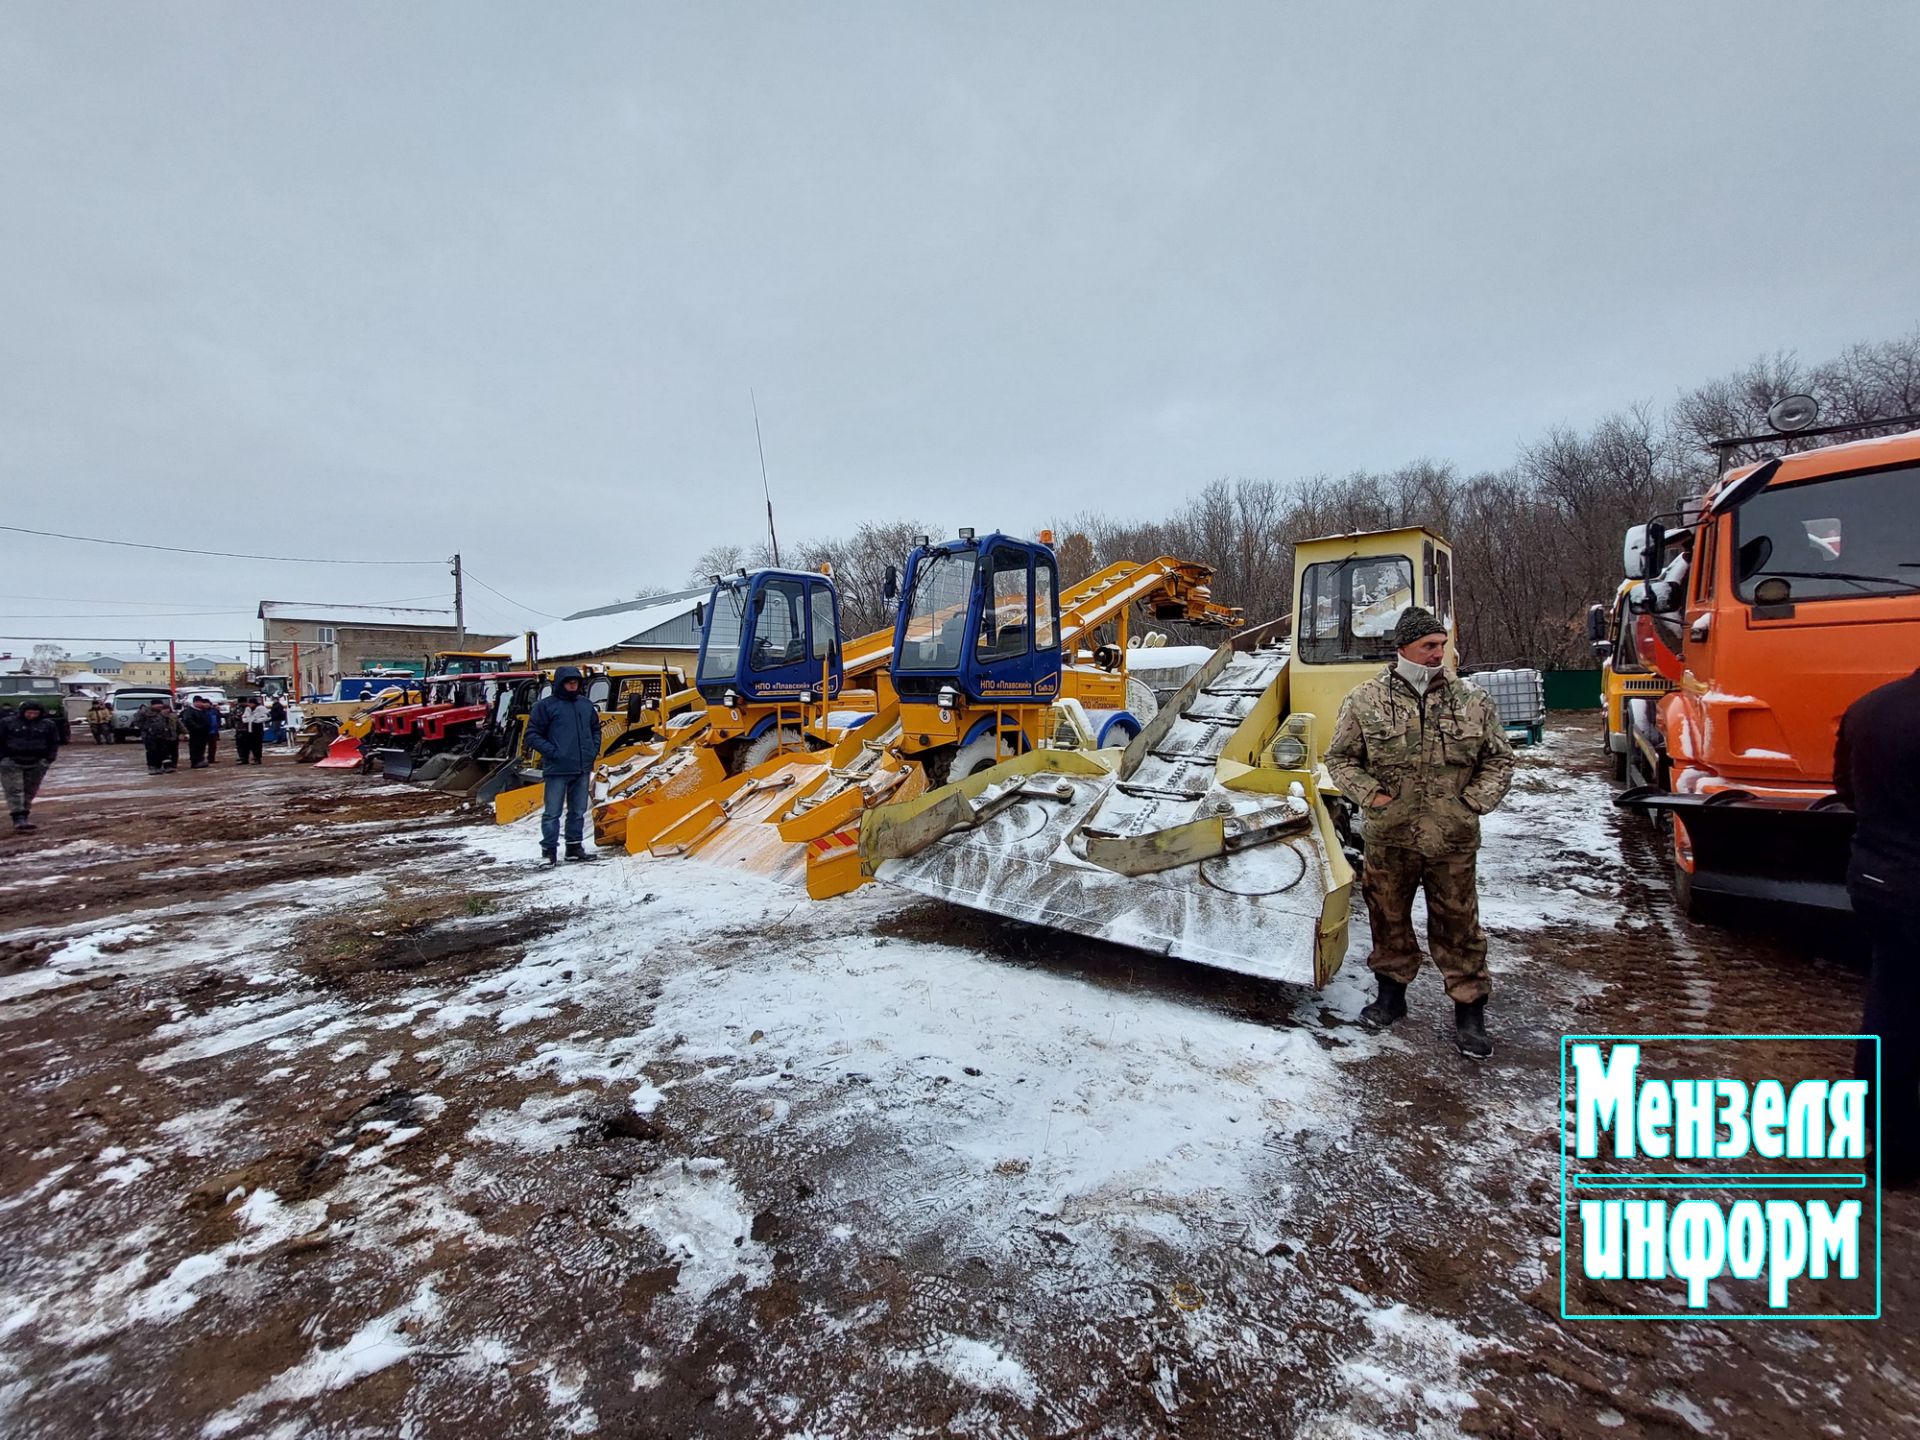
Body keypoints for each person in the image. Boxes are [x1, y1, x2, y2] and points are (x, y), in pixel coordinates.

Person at [1325, 606, 1515, 1058]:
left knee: (1459, 927)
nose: (1438, 654)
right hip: (1390, 838)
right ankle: (1391, 998)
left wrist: (1472, 803)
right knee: (1387, 919)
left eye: (1442, 645)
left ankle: (1470, 1013)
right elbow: (1340, 759)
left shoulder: (1472, 700)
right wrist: (1373, 797)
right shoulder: (1366, 700)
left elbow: (1499, 759)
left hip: (1451, 840)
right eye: (1429, 646)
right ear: (1404, 648)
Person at [1835, 667, 1920, 1185]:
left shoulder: (1870, 706)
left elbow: (1844, 788)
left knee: (1890, 1010)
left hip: (1876, 878)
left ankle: (1888, 1147)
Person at [525, 664, 603, 865]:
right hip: (557, 769)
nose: (572, 684)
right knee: (552, 813)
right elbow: (532, 735)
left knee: (577, 812)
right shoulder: (545, 706)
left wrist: (592, 751)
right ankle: (549, 852)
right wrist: (553, 752)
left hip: (582, 767)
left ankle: (574, 848)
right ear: (560, 683)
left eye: (575, 681)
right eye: (569, 681)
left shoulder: (586, 705)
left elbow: (596, 729)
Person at [0, 698, 62, 834]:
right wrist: (3, 758)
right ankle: (18, 817)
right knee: (14, 790)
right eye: (29, 713)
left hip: (37, 762)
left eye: (35, 713)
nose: (32, 716)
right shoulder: (8, 723)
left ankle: (25, 814)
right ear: (23, 712)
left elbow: (54, 742)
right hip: (11, 761)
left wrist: (48, 759)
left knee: (30, 790)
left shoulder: (47, 725)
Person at [139, 699, 183, 774]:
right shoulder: (145, 712)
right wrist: (148, 728)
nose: (160, 706)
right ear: (153, 705)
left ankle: (164, 767)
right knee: (152, 751)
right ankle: (153, 767)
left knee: (163, 751)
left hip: (162, 735)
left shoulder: (161, 713)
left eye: (161, 705)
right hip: (150, 736)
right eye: (158, 704)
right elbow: (137, 722)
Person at [178, 696, 216, 768]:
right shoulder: (189, 711)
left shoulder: (202, 710)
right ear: (194, 702)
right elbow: (188, 720)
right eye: (198, 702)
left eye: (201, 702)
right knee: (195, 747)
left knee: (202, 747)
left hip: (204, 732)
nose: (200, 704)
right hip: (195, 733)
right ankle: (195, 762)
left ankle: (200, 760)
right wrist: (198, 727)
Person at [235, 697, 268, 765]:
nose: (249, 704)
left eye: (251, 703)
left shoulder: (261, 708)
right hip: (249, 728)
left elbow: (267, 716)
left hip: (257, 728)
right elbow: (244, 716)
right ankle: (248, 758)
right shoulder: (248, 709)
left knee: (257, 744)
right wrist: (246, 720)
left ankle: (257, 758)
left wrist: (257, 721)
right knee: (250, 744)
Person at [204, 697, 223, 764]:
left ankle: (211, 758)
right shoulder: (201, 711)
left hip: (214, 730)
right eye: (205, 703)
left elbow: (219, 718)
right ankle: (201, 759)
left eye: (207, 703)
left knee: (213, 746)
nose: (206, 705)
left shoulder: (214, 710)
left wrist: (218, 725)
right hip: (204, 731)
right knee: (202, 746)